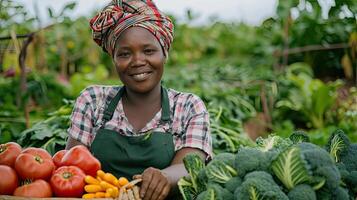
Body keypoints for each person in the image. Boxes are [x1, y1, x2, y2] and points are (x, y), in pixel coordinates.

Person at [66, 0, 212, 199]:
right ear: (114, 59)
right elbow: (72, 170)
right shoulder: (92, 101)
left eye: (149, 51)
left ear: (164, 54)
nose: (138, 61)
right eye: (124, 54)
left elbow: (190, 166)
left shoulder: (188, 107)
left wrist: (165, 177)